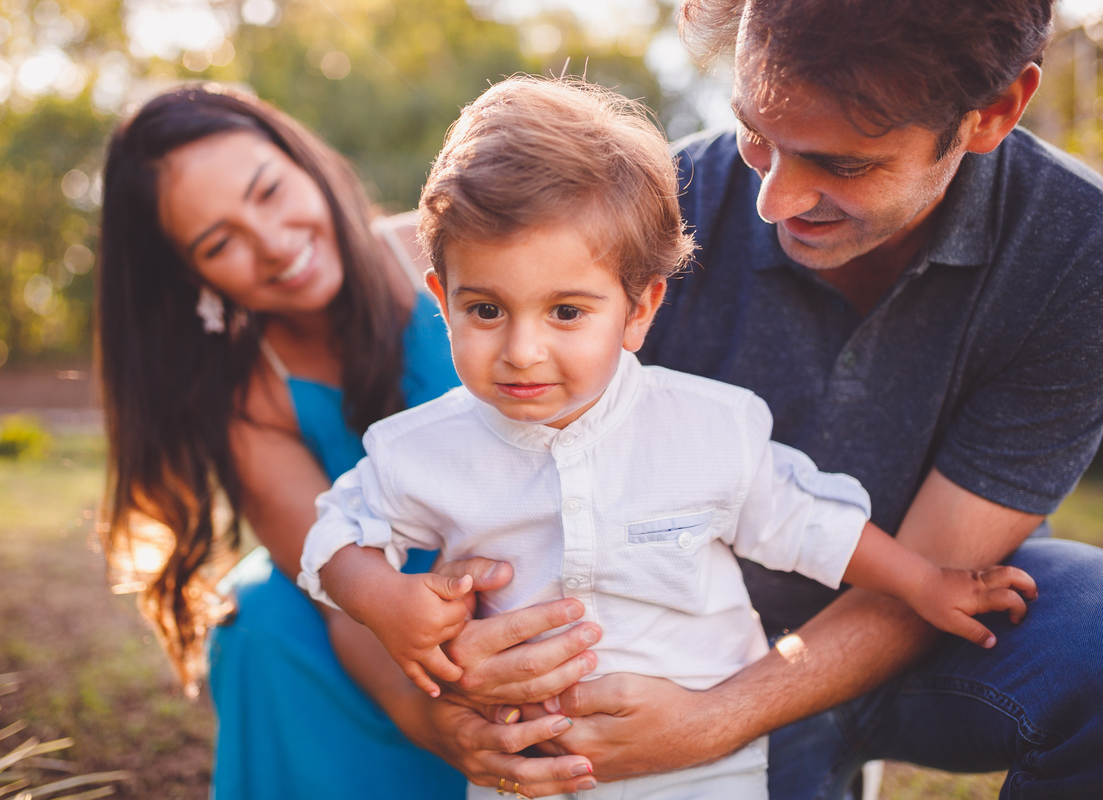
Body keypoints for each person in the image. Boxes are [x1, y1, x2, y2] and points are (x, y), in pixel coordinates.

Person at [297, 77, 1038, 800]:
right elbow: (335, 533)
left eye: (565, 312)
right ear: (442, 300)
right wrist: (381, 597)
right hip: (532, 766)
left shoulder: (706, 427)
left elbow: (803, 521)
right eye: (486, 309)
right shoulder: (420, 449)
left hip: (703, 763)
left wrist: (923, 580)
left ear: (638, 309)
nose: (522, 350)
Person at [485, 1, 1103, 798]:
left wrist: (714, 719)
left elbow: (934, 571)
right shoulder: (647, 212)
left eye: (844, 166)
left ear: (993, 113)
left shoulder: (1076, 252)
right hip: (675, 646)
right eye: (755, 134)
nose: (771, 201)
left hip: (919, 632)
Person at [96, 86, 600, 799]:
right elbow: (345, 600)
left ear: (303, 163)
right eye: (219, 242)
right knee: (263, 619)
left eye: (268, 191)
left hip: (538, 555)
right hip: (375, 615)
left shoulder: (450, 252)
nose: (272, 245)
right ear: (190, 276)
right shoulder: (247, 392)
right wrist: (441, 728)